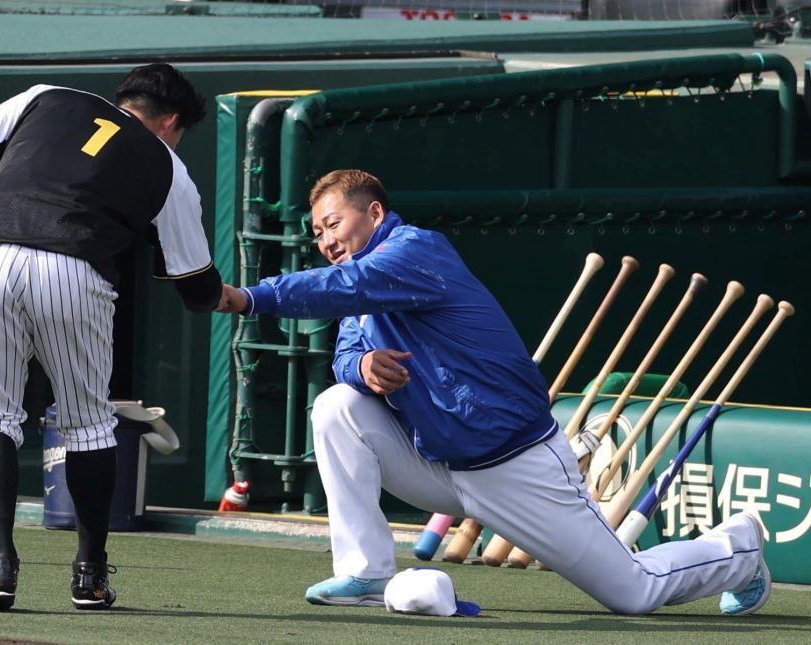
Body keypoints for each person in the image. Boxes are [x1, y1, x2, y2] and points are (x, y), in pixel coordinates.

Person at [216, 169, 770, 617]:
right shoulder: (362, 282)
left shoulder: (414, 252)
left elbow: (345, 287)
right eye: (317, 232)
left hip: (516, 465)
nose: (326, 241)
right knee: (337, 404)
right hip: (438, 467)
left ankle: (739, 548)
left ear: (375, 213)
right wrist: (361, 366)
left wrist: (248, 297)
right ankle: (366, 572)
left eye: (333, 224)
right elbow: (342, 355)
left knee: (634, 592)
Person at [0, 64, 222, 611]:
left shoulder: (49, 96)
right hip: (74, 267)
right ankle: (89, 575)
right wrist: (231, 296)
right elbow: (196, 288)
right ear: (172, 121)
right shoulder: (168, 163)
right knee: (88, 425)